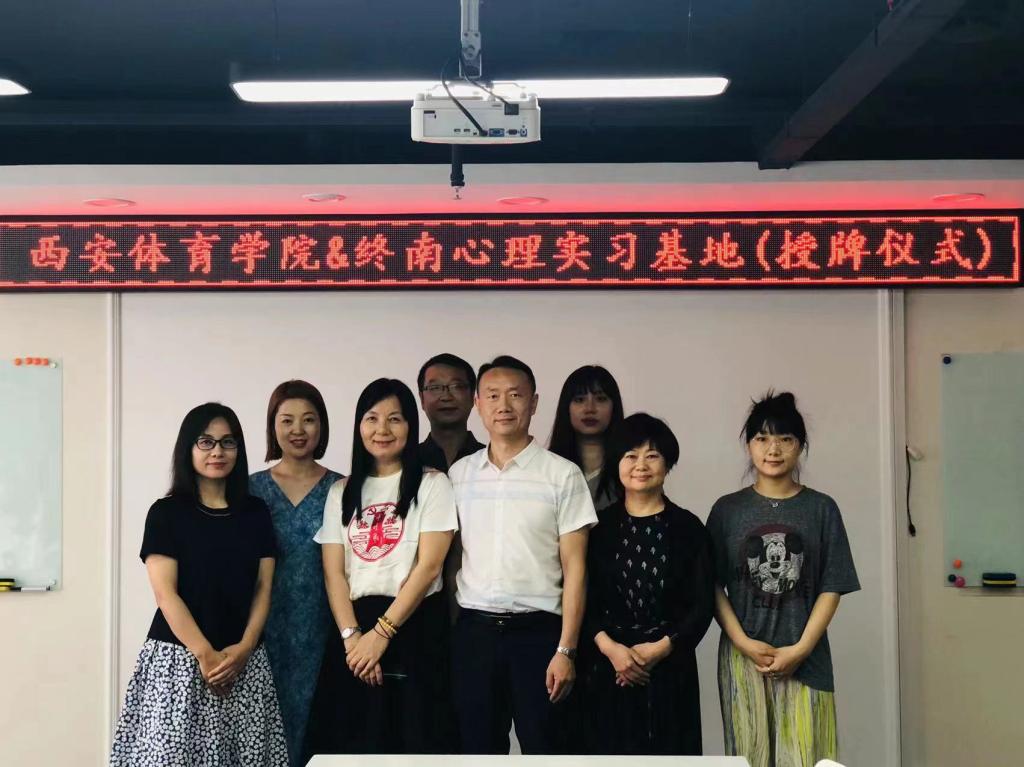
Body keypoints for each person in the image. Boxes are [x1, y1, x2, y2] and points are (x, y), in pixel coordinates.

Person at [110, 403, 287, 767]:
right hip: (179, 662)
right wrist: (206, 655)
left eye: (228, 442)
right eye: (206, 442)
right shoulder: (166, 513)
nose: (217, 451)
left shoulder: (255, 512)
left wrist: (245, 649)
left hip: (244, 664)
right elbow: (165, 593)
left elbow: (263, 588)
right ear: (188, 448)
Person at [449, 355, 598, 754]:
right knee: (477, 751)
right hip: (475, 634)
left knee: (547, 750)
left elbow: (576, 569)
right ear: (477, 404)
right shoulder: (459, 475)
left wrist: (566, 650)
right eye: (493, 395)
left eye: (515, 395)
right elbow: (450, 561)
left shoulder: (561, 474)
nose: (504, 405)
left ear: (533, 403)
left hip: (540, 635)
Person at [707, 391, 860, 767]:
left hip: (805, 658)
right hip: (743, 659)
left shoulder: (821, 508)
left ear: (800, 446)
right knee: (750, 759)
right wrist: (742, 642)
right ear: (749, 445)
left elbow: (832, 584)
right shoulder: (727, 510)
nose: (773, 449)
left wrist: (801, 649)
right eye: (762, 438)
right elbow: (711, 585)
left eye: (785, 439)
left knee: (807, 758)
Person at [309, 378, 458, 754]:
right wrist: (352, 640)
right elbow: (333, 573)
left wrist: (381, 634)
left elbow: (429, 567)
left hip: (413, 623)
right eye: (372, 418)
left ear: (411, 425)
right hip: (354, 628)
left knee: (415, 743)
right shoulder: (341, 491)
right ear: (359, 425)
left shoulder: (432, 484)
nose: (382, 429)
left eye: (395, 419)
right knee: (352, 745)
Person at [581, 413, 714, 754]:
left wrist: (661, 648)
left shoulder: (689, 528)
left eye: (652, 456)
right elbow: (584, 598)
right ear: (617, 464)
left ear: (667, 464)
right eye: (631, 456)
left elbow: (702, 604)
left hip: (671, 666)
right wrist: (612, 649)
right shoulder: (599, 530)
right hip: (609, 665)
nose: (641, 465)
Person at [249, 380, 343, 766]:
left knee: (323, 739)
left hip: (327, 631)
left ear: (322, 425)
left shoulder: (343, 487)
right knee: (261, 739)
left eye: (309, 419)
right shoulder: (249, 489)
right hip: (261, 631)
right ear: (272, 425)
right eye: (287, 420)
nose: (298, 430)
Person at [548, 364, 624, 511]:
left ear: (614, 407)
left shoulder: (633, 468)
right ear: (566, 408)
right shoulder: (547, 468)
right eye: (579, 400)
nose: (590, 409)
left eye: (601, 399)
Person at [417, 353, 484, 472]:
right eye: (435, 388)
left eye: (456, 386)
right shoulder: (406, 462)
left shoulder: (492, 461)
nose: (446, 397)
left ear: (472, 396)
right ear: (422, 399)